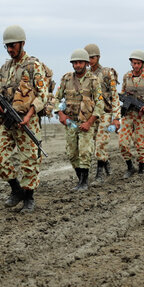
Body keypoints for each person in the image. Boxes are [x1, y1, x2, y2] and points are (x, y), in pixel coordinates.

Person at [0, 25, 49, 212]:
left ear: (22, 43)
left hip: (27, 121)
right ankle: (16, 189)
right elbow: (0, 91)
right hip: (8, 120)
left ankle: (29, 197)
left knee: (29, 161)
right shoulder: (5, 68)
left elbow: (43, 95)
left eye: (13, 45)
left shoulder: (33, 66)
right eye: (6, 46)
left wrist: (30, 114)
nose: (9, 49)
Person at [53, 49, 104, 191]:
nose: (77, 65)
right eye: (75, 63)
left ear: (86, 63)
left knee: (85, 152)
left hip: (86, 122)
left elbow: (100, 104)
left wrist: (90, 122)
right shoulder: (66, 79)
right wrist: (60, 113)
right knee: (71, 153)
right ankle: (80, 180)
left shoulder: (93, 81)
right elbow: (56, 99)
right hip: (71, 123)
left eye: (80, 62)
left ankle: (84, 182)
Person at [84, 43, 120, 183]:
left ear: (98, 57)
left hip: (105, 113)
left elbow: (114, 95)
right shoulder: (85, 75)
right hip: (92, 115)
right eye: (88, 58)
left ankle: (99, 175)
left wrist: (116, 117)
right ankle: (106, 163)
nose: (90, 61)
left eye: (92, 58)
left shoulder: (106, 73)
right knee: (95, 144)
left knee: (100, 143)